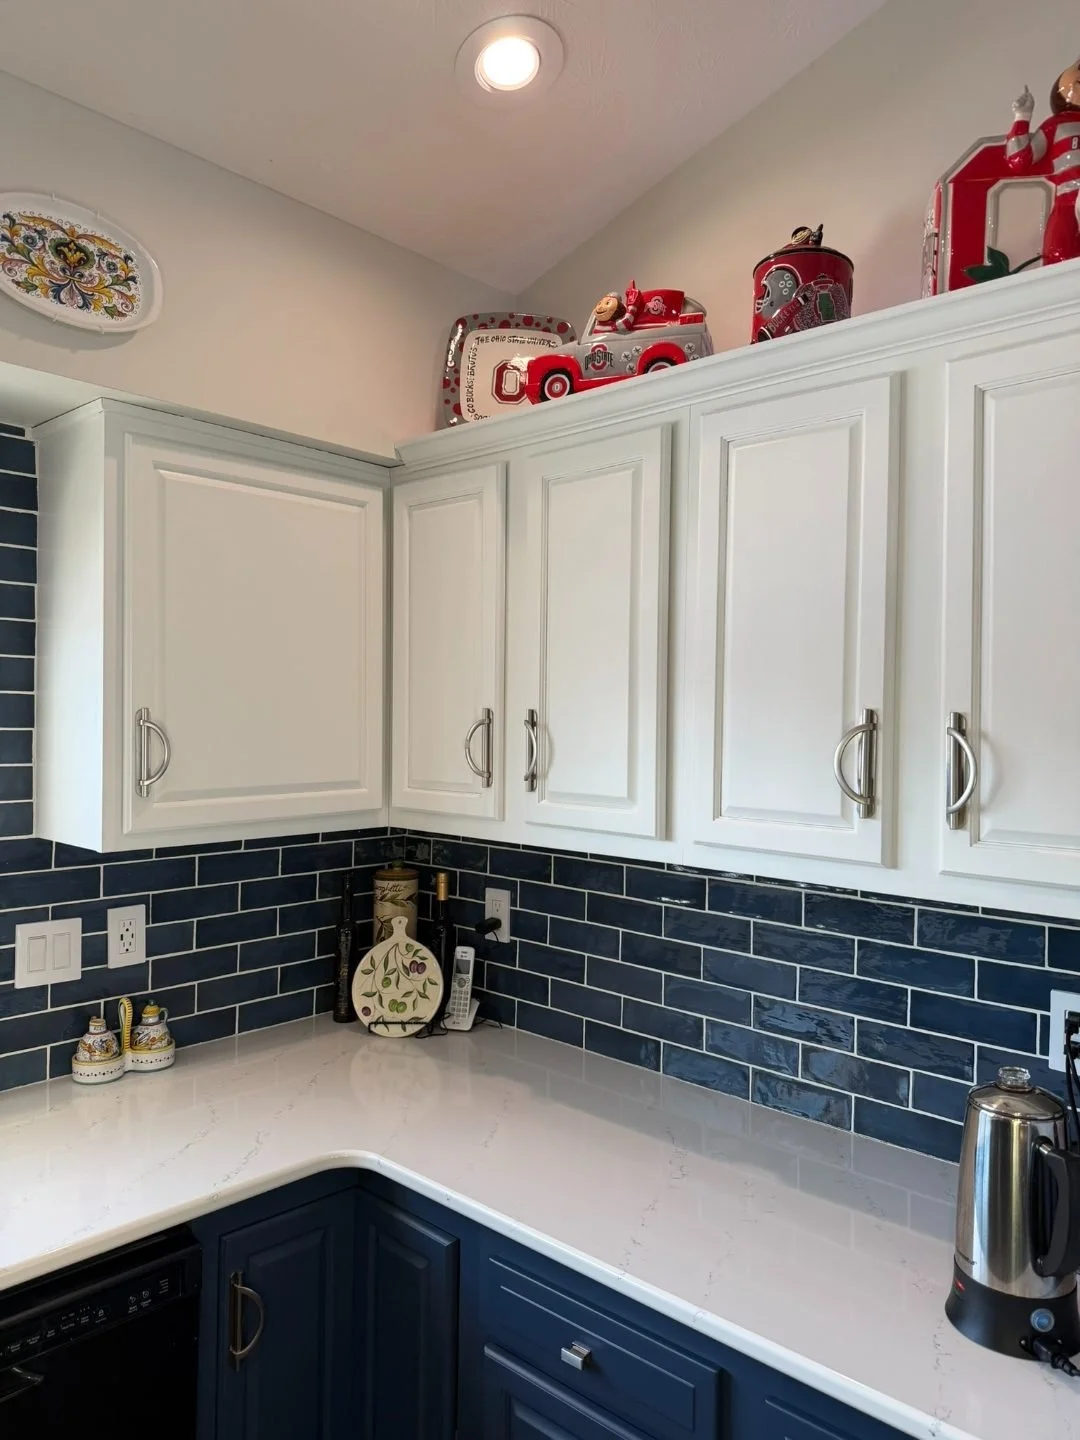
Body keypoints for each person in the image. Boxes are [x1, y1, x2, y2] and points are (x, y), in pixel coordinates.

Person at [1007, 61, 1080, 266]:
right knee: (1058, 256)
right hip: (1066, 201)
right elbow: (1019, 159)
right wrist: (1022, 116)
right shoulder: (1056, 125)